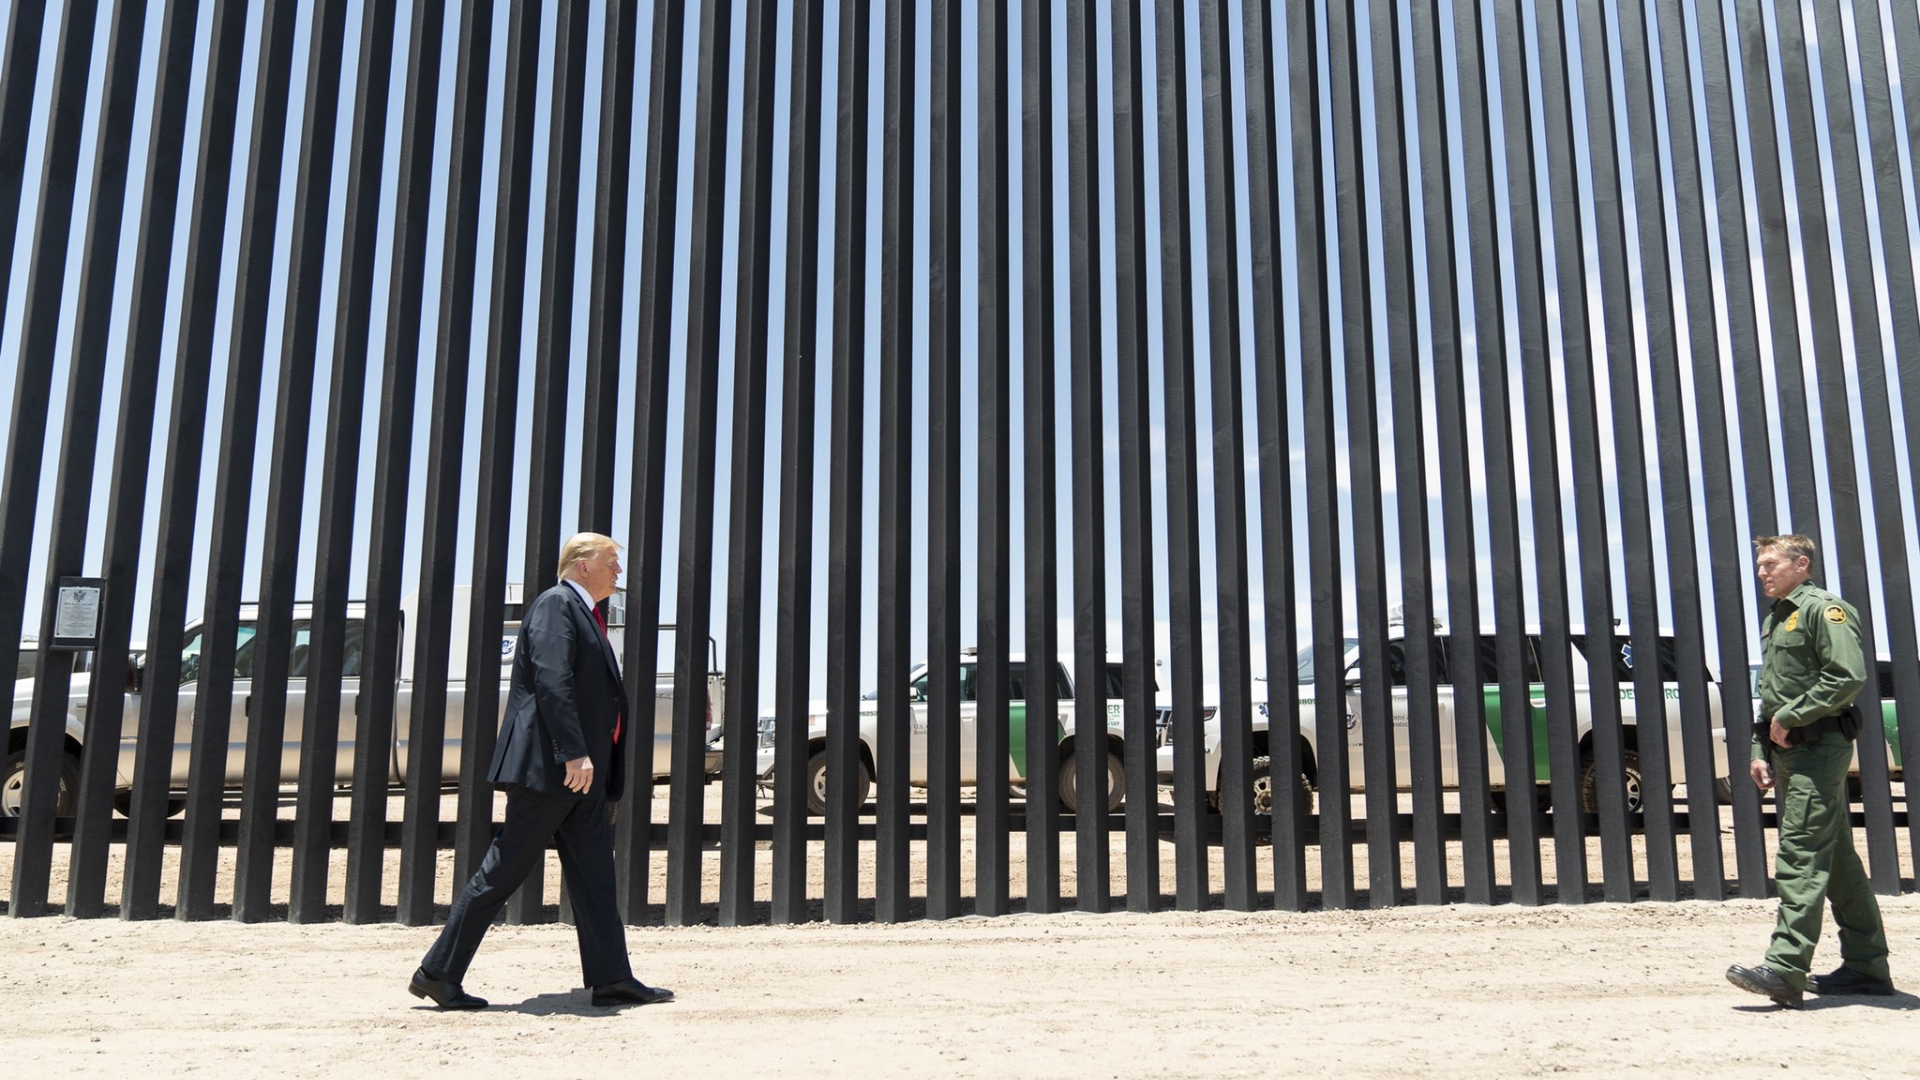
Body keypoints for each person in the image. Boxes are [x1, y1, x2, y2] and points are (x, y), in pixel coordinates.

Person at [410, 532, 673, 1009]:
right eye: (611, 562)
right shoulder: (556, 605)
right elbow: (554, 682)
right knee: (504, 868)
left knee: (595, 877)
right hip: (555, 770)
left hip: (582, 774)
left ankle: (612, 977)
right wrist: (573, 752)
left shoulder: (586, 613)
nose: (619, 572)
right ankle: (437, 972)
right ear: (580, 566)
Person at [1726, 534, 1894, 1009]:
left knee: (1800, 850)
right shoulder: (1777, 617)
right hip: (1791, 750)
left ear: (1802, 564)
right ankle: (1866, 968)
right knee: (1836, 860)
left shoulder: (1826, 610)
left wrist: (1793, 717)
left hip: (1821, 745)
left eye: (1770, 564)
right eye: (1759, 565)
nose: (1762, 572)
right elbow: (1774, 693)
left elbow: (1847, 676)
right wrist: (1762, 745)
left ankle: (1784, 968)